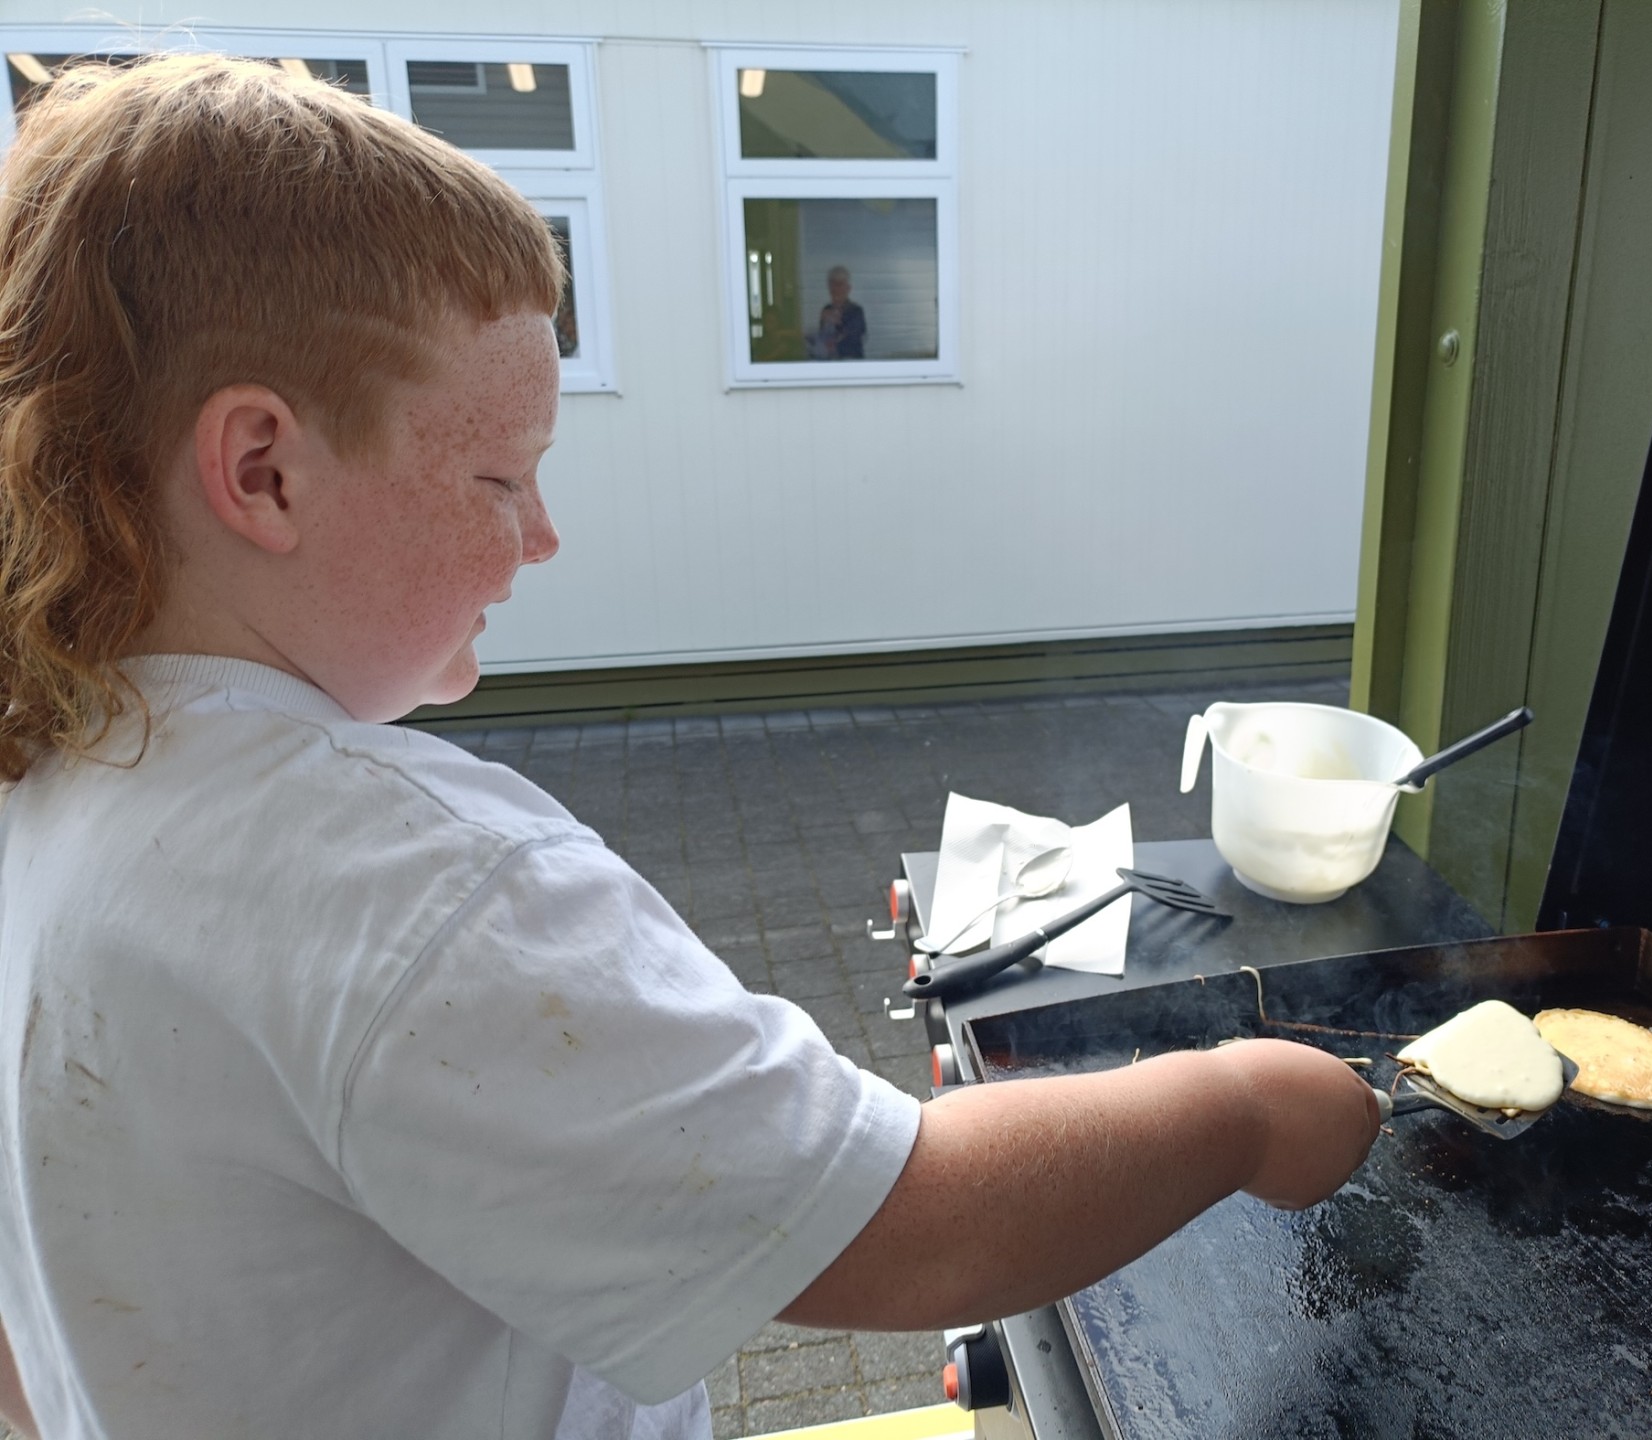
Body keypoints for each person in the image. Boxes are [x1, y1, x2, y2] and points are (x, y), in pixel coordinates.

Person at [0, 55, 1380, 1440]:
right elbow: (906, 1223)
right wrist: (1240, 1106)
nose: (544, 535)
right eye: (500, 477)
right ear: (263, 472)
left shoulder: (51, 793)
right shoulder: (394, 885)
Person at [817, 265, 867, 359]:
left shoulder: (856, 311)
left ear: (848, 288)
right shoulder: (826, 310)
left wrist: (838, 323)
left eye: (840, 284)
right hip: (829, 362)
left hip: (851, 362)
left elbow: (854, 337)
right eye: (833, 284)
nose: (836, 289)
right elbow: (821, 338)